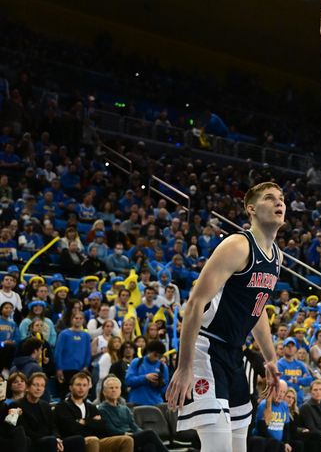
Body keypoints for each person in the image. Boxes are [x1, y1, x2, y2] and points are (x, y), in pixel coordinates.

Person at [166, 182, 283, 452]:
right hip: (205, 348)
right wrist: (184, 366)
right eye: (270, 198)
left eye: (281, 198)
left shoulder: (277, 257)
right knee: (218, 448)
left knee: (238, 447)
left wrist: (271, 359)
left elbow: (258, 308)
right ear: (251, 209)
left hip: (233, 354)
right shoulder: (238, 245)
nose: (279, 203)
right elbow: (195, 303)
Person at [54, 372, 134, 452]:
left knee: (126, 440)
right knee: (93, 440)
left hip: (97, 440)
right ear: (71, 387)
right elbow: (71, 429)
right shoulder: (62, 407)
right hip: (74, 442)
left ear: (88, 387)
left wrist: (84, 421)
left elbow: (102, 427)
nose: (81, 388)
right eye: (78, 385)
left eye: (84, 385)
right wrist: (93, 423)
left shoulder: (91, 407)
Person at [16, 372, 87, 452]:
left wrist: (57, 438)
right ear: (28, 387)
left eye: (42, 385)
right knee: (50, 441)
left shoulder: (45, 405)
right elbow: (24, 431)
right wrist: (53, 439)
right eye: (36, 385)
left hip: (50, 440)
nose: (39, 388)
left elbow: (53, 426)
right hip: (33, 441)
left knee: (78, 439)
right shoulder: (18, 405)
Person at [97, 375, 168, 452]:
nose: (114, 390)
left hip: (131, 436)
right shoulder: (102, 409)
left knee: (149, 446)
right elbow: (110, 429)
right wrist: (125, 433)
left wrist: (141, 433)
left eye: (116, 388)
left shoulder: (125, 409)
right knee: (149, 433)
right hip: (119, 438)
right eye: (111, 388)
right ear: (104, 392)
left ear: (120, 391)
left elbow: (134, 426)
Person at [55, 309, 92, 399]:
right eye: (76, 318)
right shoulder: (64, 334)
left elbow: (88, 352)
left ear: (83, 320)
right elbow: (58, 352)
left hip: (81, 370)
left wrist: (86, 366)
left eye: (80, 318)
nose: (78, 320)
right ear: (72, 320)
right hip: (66, 370)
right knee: (66, 395)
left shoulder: (86, 335)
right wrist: (59, 368)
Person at [125, 341, 168, 406]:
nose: (157, 358)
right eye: (155, 355)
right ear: (149, 351)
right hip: (136, 402)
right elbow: (128, 380)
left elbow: (165, 389)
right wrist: (145, 377)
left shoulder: (163, 367)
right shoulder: (137, 362)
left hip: (156, 403)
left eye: (160, 356)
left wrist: (157, 384)